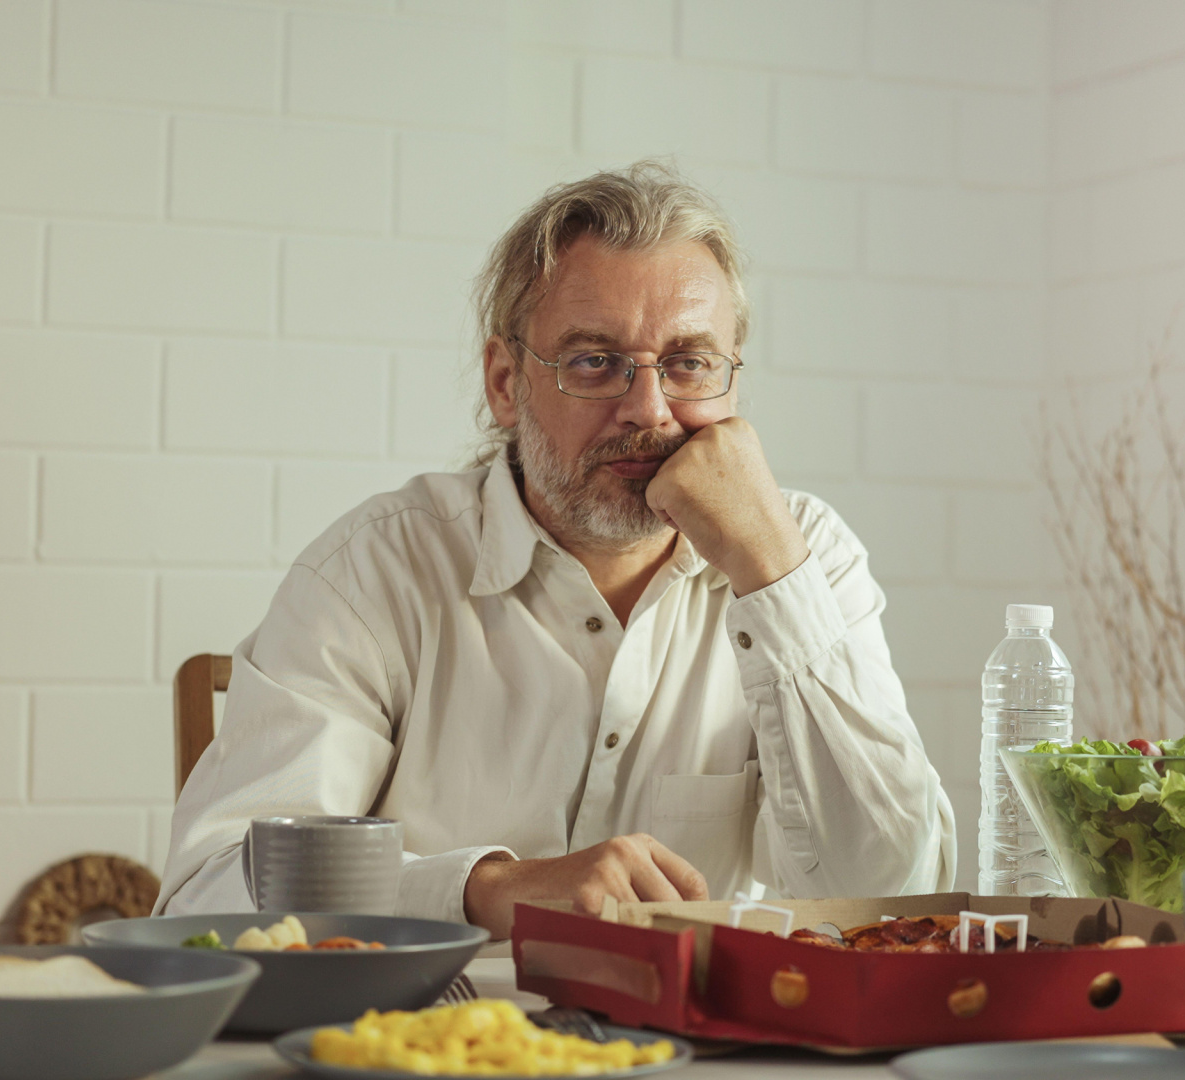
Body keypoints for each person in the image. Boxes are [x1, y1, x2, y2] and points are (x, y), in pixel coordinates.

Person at [156, 160, 956, 938]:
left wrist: (772, 574)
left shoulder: (805, 558)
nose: (650, 410)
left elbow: (893, 893)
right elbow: (208, 897)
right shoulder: (373, 574)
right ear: (506, 383)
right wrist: (488, 891)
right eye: (595, 362)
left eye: (689, 364)